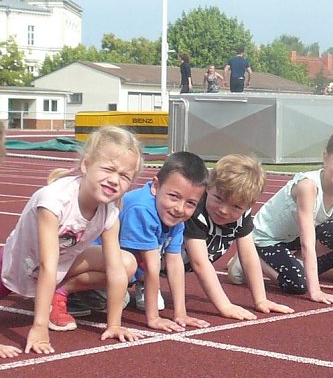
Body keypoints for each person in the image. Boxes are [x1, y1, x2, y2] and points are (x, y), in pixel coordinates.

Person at [0, 126, 144, 358]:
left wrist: (114, 324)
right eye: (108, 169)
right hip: (15, 267)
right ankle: (46, 300)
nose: (115, 180)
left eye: (125, 176)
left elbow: (116, 271)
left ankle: (61, 293)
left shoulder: (109, 212)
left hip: (59, 268)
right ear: (86, 165)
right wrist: (38, 328)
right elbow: (48, 263)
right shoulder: (54, 201)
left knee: (126, 263)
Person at [243, 128, 333, 304]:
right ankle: (249, 258)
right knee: (298, 285)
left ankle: (291, 261)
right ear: (325, 157)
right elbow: (307, 242)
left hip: (293, 237)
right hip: (267, 239)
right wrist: (315, 291)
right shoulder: (308, 187)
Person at [182, 154, 294, 320]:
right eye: (218, 199)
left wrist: (261, 299)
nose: (224, 210)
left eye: (236, 206)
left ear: (249, 205)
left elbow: (249, 256)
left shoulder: (243, 215)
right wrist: (225, 305)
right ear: (207, 187)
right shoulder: (195, 213)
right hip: (150, 262)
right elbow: (200, 263)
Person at [119, 151, 211, 332]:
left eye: (190, 203)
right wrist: (153, 318)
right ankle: (64, 292)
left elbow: (175, 262)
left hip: (124, 267)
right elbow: (151, 266)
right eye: (174, 197)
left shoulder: (174, 217)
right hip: (90, 261)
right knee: (110, 299)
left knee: (121, 291)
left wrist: (180, 313)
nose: (180, 209)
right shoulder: (142, 208)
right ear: (155, 186)